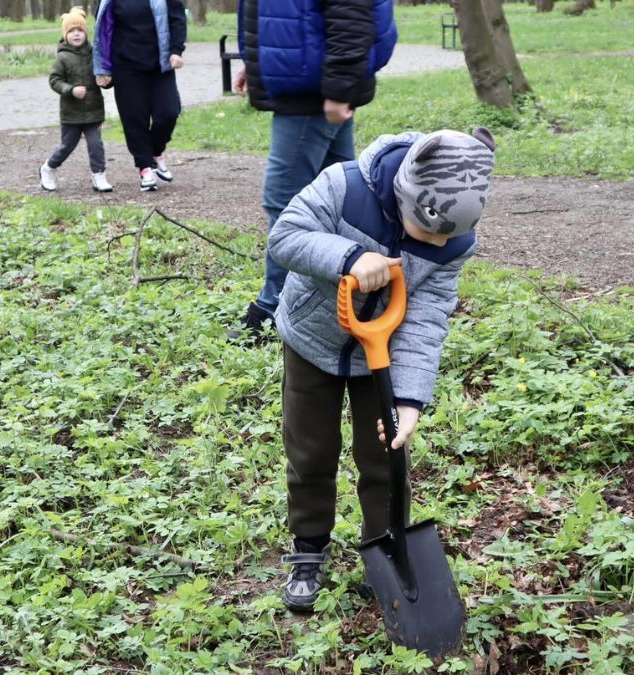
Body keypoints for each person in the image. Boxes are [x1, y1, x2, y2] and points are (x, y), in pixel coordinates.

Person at [267, 127, 496, 611]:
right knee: (311, 450)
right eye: (429, 232)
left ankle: (387, 549)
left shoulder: (452, 242)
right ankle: (309, 546)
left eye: (447, 237)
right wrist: (349, 257)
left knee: (385, 455)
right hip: (311, 341)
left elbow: (426, 318)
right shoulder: (344, 187)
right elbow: (285, 238)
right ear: (407, 196)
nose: (437, 243)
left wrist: (410, 399)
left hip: (384, 356)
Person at [229, 0, 398, 340]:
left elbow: (350, 15)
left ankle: (274, 307)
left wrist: (338, 88)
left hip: (314, 91)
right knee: (343, 199)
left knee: (285, 203)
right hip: (311, 81)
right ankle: (353, 292)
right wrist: (258, 61)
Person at [92, 0, 186, 192]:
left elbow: (177, 19)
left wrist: (176, 50)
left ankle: (156, 151)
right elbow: (103, 28)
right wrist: (103, 68)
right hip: (126, 66)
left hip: (160, 64)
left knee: (168, 112)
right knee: (134, 119)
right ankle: (145, 168)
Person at [39, 7, 113, 193]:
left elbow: (103, 73)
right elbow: (54, 80)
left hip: (93, 110)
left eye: (80, 30)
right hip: (71, 113)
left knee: (96, 145)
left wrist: (107, 81)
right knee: (67, 146)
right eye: (72, 31)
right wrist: (70, 90)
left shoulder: (94, 54)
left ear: (86, 32)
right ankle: (48, 168)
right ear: (65, 35)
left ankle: (99, 175)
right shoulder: (62, 57)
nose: (76, 34)